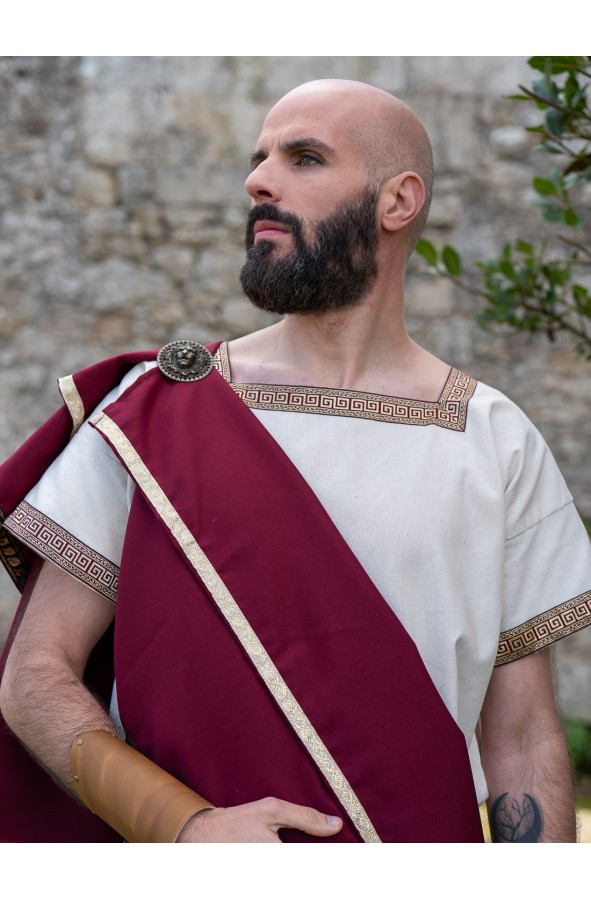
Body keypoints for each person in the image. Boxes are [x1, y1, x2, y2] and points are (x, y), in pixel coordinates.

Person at [1, 78, 590, 843]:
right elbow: (35, 674)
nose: (258, 180)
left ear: (397, 201)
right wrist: (186, 827)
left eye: (304, 157)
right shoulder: (156, 412)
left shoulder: (492, 438)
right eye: (258, 159)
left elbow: (520, 738)